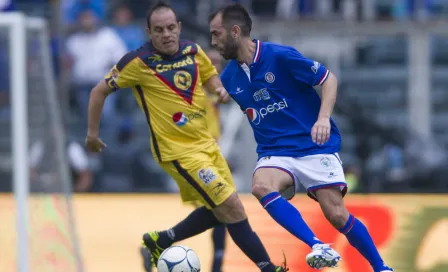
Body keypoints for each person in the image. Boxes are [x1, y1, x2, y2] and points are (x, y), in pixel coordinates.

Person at [85, 2, 287, 272]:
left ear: (179, 27)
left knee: (227, 208)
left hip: (207, 145)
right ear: (149, 33)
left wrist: (219, 91)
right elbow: (98, 91)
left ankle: (161, 240)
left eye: (171, 28)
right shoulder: (137, 62)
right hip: (177, 152)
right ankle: (268, 268)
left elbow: (209, 76)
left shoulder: (193, 50)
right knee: (230, 206)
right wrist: (92, 135)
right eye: (159, 30)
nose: (166, 34)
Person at [208, 4, 394, 272]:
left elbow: (329, 79)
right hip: (275, 152)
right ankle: (317, 245)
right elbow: (221, 97)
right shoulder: (230, 77)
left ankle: (381, 267)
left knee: (337, 214)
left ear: (235, 32)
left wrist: (322, 119)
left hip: (313, 145)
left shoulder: (279, 56)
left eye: (217, 34)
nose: (214, 41)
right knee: (260, 186)